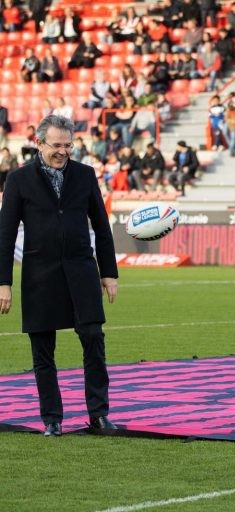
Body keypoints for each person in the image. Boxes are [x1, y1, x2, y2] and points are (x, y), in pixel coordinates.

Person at [0, 115, 120, 437]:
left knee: (94, 338)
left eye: (68, 145)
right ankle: (52, 419)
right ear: (39, 143)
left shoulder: (85, 175)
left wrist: (108, 273)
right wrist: (4, 283)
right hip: (40, 276)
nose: (63, 151)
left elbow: (101, 227)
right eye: (57, 145)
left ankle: (99, 414)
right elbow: (5, 235)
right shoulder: (18, 180)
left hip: (82, 271)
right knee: (42, 351)